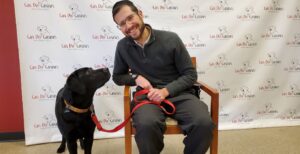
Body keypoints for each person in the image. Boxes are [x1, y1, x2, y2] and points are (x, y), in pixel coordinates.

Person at [111, 1, 215, 154]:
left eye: (130, 18)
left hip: (180, 95)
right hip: (147, 99)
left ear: (140, 13)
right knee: (146, 125)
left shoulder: (171, 39)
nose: (128, 26)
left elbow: (190, 74)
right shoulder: (122, 46)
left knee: (203, 123)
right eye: (122, 24)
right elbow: (118, 76)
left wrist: (165, 91)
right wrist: (135, 77)